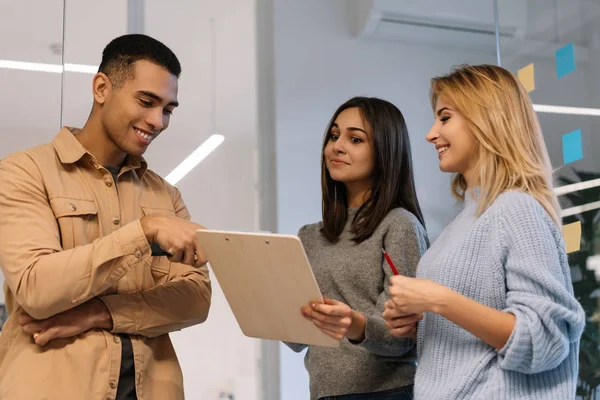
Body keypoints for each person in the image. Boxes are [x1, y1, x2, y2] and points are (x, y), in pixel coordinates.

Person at [0, 34, 212, 400]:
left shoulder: (167, 195)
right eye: (146, 102)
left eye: (168, 109)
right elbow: (36, 287)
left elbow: (195, 298)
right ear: (101, 88)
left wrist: (101, 313)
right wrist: (144, 232)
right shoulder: (23, 172)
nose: (157, 121)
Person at [383, 64, 586, 399]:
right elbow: (471, 345)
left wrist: (438, 299)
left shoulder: (517, 209)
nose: (430, 134)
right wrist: (417, 324)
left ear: (486, 119)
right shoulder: (466, 221)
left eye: (444, 118)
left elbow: (546, 340)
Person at [286, 96, 429, 400]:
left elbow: (404, 337)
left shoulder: (399, 225)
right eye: (334, 136)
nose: (337, 146)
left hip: (388, 393)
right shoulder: (310, 235)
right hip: (324, 394)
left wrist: (355, 324)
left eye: (355, 139)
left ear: (385, 152)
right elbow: (299, 340)